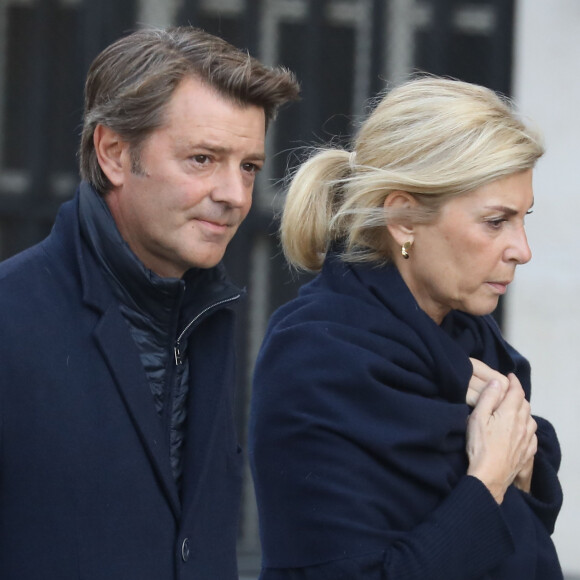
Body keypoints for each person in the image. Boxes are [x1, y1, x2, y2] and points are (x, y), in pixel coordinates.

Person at [0, 26, 298, 579]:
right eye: (203, 159)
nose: (235, 194)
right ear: (114, 153)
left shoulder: (209, 314)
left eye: (249, 166)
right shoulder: (11, 318)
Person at [249, 76, 563, 579]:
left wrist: (520, 465)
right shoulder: (317, 358)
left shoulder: (468, 338)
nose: (521, 250)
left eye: (523, 218)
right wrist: (490, 478)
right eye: (496, 221)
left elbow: (525, 527)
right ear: (403, 219)